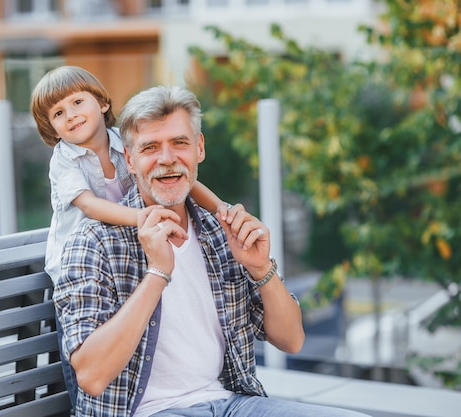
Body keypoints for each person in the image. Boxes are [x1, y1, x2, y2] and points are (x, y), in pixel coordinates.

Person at [53, 85, 371, 417]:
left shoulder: (220, 233)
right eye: (150, 148)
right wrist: (157, 273)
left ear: (199, 148)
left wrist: (262, 269)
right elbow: (90, 377)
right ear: (130, 161)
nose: (167, 158)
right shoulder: (94, 241)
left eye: (180, 143)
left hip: (233, 403)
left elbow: (291, 340)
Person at [30, 67, 228, 407]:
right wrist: (145, 218)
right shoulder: (63, 160)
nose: (71, 115)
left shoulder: (125, 142)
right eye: (59, 113)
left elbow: (185, 180)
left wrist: (222, 209)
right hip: (78, 265)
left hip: (120, 254)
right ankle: (88, 409)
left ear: (103, 103)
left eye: (78, 102)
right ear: (52, 127)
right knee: (81, 339)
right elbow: (90, 206)